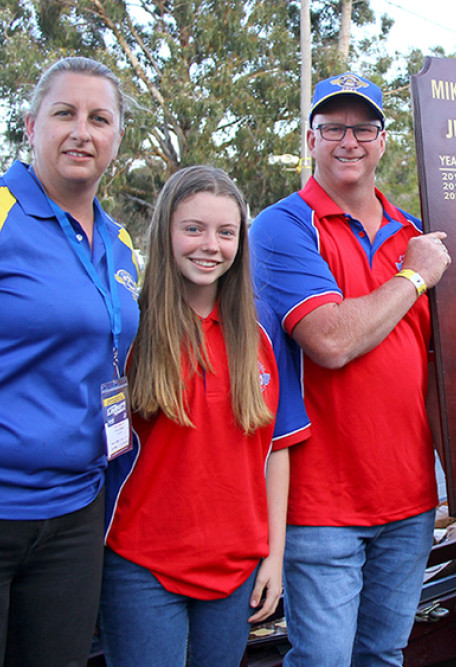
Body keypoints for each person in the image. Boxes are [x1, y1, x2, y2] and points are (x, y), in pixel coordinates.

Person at [250, 72, 456, 666]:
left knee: (385, 657)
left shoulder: (418, 235)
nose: (348, 141)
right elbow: (330, 341)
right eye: (332, 127)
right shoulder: (284, 226)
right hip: (322, 504)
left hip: (410, 500)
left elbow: (449, 378)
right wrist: (412, 277)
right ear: (309, 139)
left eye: (363, 128)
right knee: (323, 662)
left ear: (383, 140)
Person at [0, 56, 140, 666]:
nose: (82, 131)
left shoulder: (119, 243)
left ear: (116, 138)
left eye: (100, 119)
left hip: (72, 517)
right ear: (30, 125)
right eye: (64, 113)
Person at [98, 166, 310, 665]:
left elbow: (277, 450)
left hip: (236, 567)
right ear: (166, 231)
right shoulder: (130, 330)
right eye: (193, 228)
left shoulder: (261, 334)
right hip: (141, 564)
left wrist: (273, 557)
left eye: (225, 231)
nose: (209, 245)